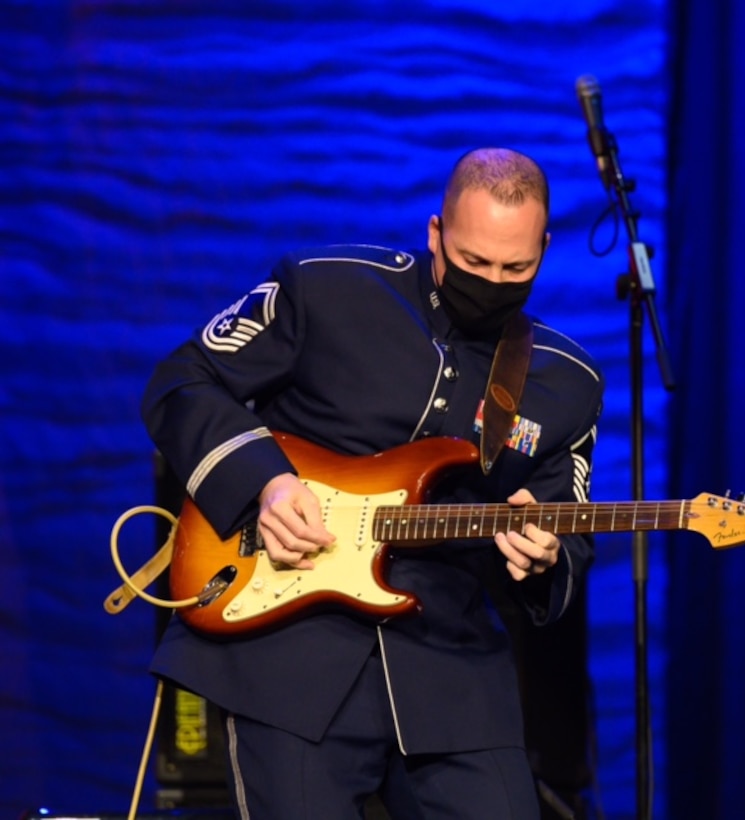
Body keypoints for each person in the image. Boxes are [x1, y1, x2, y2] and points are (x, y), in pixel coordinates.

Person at [142, 147, 604, 819]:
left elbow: (567, 527)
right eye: (474, 263)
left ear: (544, 249)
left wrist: (545, 556)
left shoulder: (569, 381)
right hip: (289, 648)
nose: (493, 281)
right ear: (435, 233)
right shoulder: (327, 287)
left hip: (452, 665)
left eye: (517, 268)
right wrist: (265, 486)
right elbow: (183, 380)